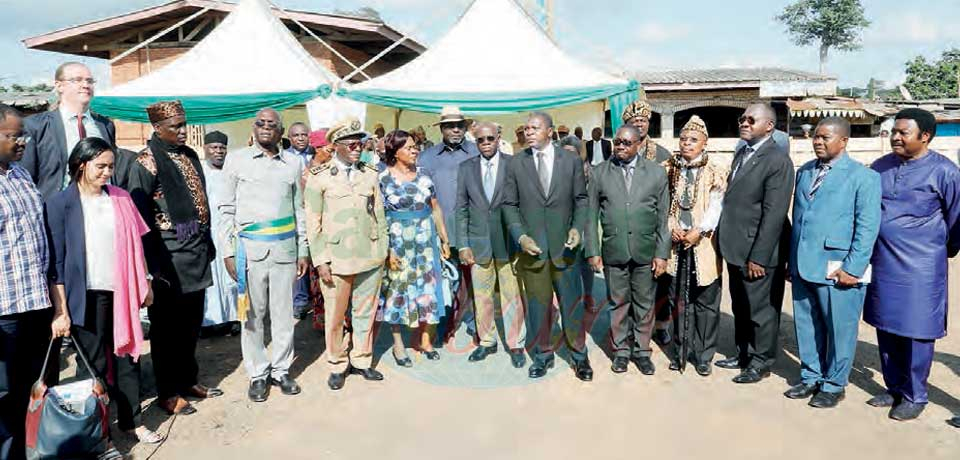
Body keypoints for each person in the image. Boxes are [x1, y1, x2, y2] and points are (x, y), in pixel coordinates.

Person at [45, 136, 164, 445]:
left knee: (128, 358)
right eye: (100, 166)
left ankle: (131, 421)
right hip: (85, 296)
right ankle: (98, 432)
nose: (107, 172)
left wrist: (146, 282)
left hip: (121, 292)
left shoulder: (121, 198)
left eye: (110, 166)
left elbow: (138, 246)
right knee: (92, 366)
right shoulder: (60, 204)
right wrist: (61, 309)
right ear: (81, 165)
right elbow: (56, 260)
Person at [864, 108, 960, 421]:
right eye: (894, 131)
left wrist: (940, 249)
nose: (895, 137)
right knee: (886, 323)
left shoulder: (945, 171)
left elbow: (957, 218)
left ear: (925, 136)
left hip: (922, 266)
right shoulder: (879, 167)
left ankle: (915, 394)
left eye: (904, 132)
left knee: (918, 329)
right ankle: (893, 386)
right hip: (883, 261)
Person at [128, 100, 221, 416]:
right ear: (157, 128)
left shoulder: (190, 156)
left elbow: (202, 205)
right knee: (167, 330)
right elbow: (139, 220)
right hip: (166, 258)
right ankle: (167, 392)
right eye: (175, 127)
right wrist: (150, 268)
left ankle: (188, 380)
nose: (183, 131)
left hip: (195, 251)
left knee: (191, 324)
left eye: (184, 124)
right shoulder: (145, 164)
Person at [784, 117, 881, 409]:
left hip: (839, 267)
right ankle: (811, 375)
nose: (818, 141)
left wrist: (853, 267)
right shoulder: (806, 171)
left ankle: (834, 384)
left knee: (840, 328)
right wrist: (792, 261)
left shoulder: (863, 177)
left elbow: (867, 227)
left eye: (826, 137)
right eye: (816, 136)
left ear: (844, 141)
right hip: (803, 264)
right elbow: (801, 219)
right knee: (807, 325)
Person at [219, 109, 309, 402]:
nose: (266, 127)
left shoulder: (293, 163)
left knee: (283, 316)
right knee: (252, 317)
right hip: (250, 252)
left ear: (281, 131)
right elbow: (226, 209)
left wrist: (303, 250)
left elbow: (299, 210)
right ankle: (258, 373)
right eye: (261, 123)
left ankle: (281, 370)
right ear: (253, 128)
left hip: (285, 251)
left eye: (272, 124)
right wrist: (228, 252)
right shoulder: (236, 160)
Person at [503, 112, 591, 381]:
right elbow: (509, 204)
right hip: (533, 251)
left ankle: (579, 356)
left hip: (565, 249)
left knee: (571, 306)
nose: (528, 132)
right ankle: (543, 355)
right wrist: (520, 237)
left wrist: (576, 228)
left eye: (535, 128)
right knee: (539, 307)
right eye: (526, 128)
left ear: (550, 131)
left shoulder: (571, 161)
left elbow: (581, 199)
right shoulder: (516, 163)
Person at [305, 118, 387, 390]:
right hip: (337, 258)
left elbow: (379, 215)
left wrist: (383, 250)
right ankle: (337, 363)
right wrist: (321, 260)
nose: (357, 148)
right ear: (335, 146)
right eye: (351, 144)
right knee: (336, 315)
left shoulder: (370, 173)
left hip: (369, 254)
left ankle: (362, 360)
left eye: (360, 143)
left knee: (365, 312)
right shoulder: (319, 178)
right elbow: (312, 222)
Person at [715, 103, 794, 384]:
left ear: (769, 126)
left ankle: (761, 361)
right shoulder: (743, 153)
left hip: (758, 252)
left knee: (761, 310)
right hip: (737, 247)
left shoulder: (777, 160)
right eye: (742, 119)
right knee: (741, 305)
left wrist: (759, 257)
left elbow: (774, 214)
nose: (744, 123)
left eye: (751, 119)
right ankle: (744, 353)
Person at [586, 125, 670, 376]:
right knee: (618, 302)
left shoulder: (656, 173)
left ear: (639, 145)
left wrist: (661, 253)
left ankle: (642, 352)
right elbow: (590, 216)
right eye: (617, 142)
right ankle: (621, 350)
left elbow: (663, 217)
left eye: (626, 143)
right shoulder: (600, 172)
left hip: (645, 250)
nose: (620, 146)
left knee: (644, 304)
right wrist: (593, 249)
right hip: (614, 249)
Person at [0, 104, 57, 460]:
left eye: (23, 134)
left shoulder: (21, 175)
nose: (23, 141)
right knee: (4, 396)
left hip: (37, 304)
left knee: (36, 389)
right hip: (4, 311)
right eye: (13, 135)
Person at [661, 116, 728, 376]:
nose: (687, 144)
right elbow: (663, 203)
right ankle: (679, 352)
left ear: (704, 143)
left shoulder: (715, 168)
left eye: (693, 140)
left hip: (704, 245)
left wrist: (699, 231)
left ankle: (703, 355)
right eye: (683, 139)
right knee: (678, 300)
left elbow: (717, 205)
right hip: (676, 243)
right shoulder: (669, 167)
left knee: (706, 302)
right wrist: (672, 226)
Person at [456, 122, 526, 368]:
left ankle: (516, 343)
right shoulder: (466, 168)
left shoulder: (514, 164)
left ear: (499, 138)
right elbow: (461, 208)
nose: (485, 143)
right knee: (482, 297)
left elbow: (522, 205)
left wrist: (522, 239)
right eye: (480, 140)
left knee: (512, 296)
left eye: (490, 139)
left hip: (508, 243)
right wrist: (463, 244)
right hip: (478, 244)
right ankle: (486, 341)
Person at [379, 129, 451, 364]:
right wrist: (387, 250)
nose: (415, 150)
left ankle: (426, 341)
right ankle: (398, 345)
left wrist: (443, 238)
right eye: (409, 147)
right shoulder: (383, 179)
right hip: (397, 245)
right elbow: (379, 218)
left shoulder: (424, 175)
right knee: (397, 293)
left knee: (428, 291)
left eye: (415, 146)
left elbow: (435, 207)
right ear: (395, 151)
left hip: (425, 244)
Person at [418, 106, 479, 340]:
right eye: (450, 126)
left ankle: (476, 322)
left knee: (474, 279)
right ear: (441, 128)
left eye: (459, 125)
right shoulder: (427, 157)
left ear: (465, 127)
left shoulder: (476, 152)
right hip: (440, 230)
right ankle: (446, 322)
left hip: (472, 231)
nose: (455, 129)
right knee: (444, 280)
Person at [20, 62, 116, 200]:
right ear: (59, 86)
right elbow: (25, 176)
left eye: (89, 81)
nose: (85, 85)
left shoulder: (105, 125)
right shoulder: (36, 126)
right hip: (57, 209)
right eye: (77, 80)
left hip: (100, 206)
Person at [621, 97, 673, 345]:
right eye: (634, 121)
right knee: (631, 283)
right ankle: (632, 326)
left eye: (643, 121)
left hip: (656, 228)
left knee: (660, 281)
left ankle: (662, 324)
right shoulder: (620, 150)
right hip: (631, 229)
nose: (639, 125)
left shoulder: (662, 155)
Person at [200, 131, 239, 337]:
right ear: (205, 148)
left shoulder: (232, 171)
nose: (218, 152)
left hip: (229, 232)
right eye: (214, 147)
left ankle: (234, 318)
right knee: (211, 278)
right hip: (207, 233)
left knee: (232, 276)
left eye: (222, 148)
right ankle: (209, 322)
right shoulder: (199, 172)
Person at [285, 122, 315, 320]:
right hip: (295, 213)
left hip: (316, 212)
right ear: (290, 137)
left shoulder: (317, 155)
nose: (301, 138)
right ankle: (300, 300)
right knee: (299, 256)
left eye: (304, 134)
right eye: (296, 135)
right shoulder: (283, 158)